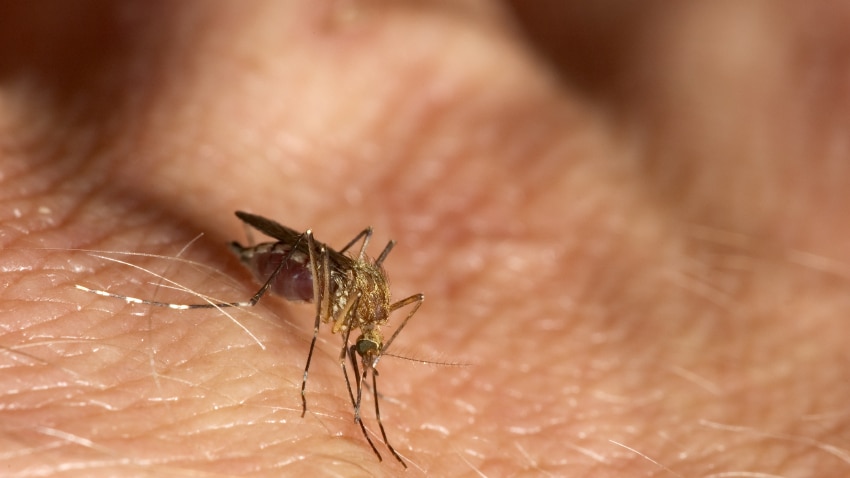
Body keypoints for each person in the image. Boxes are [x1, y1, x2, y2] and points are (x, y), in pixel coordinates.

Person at [2, 2, 848, 475]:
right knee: (316, 282)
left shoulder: (376, 317)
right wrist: (311, 378)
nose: (367, 351)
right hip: (296, 262)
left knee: (380, 278)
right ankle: (251, 288)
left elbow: (386, 308)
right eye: (365, 349)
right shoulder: (347, 302)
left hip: (333, 276)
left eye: (369, 349)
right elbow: (354, 277)